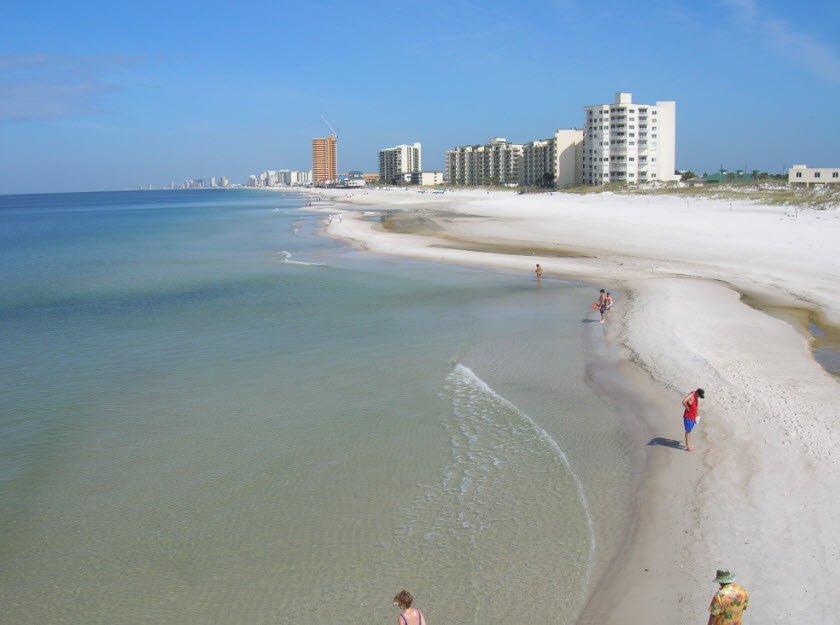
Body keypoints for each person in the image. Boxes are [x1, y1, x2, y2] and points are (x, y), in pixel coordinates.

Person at [682, 387, 705, 452]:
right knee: (688, 431)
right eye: (699, 396)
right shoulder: (692, 395)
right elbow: (684, 401)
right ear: (697, 393)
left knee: (689, 431)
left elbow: (696, 406)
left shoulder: (696, 396)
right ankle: (688, 447)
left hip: (693, 416)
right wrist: (687, 408)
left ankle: (688, 445)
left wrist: (697, 416)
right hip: (688, 416)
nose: (699, 397)